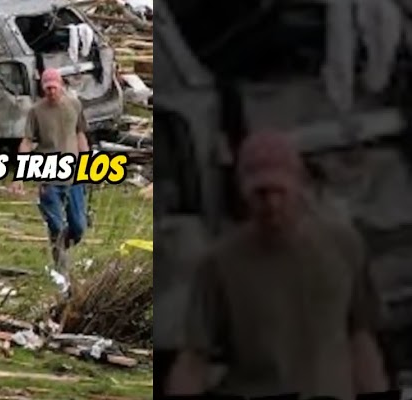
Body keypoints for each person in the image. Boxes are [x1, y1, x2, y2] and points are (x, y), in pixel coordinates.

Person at [165, 130, 390, 400]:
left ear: (299, 184)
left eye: (280, 190)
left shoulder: (343, 246)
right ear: (244, 193)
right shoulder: (219, 265)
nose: (272, 204)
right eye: (261, 193)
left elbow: (361, 339)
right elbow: (194, 358)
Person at [10, 68, 91, 272]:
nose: (51, 92)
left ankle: (62, 246)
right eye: (47, 89)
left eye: (54, 88)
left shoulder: (74, 105)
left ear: (61, 85)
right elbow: (27, 142)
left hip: (73, 174)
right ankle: (60, 270)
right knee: (55, 226)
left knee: (79, 226)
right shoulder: (36, 111)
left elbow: (80, 135)